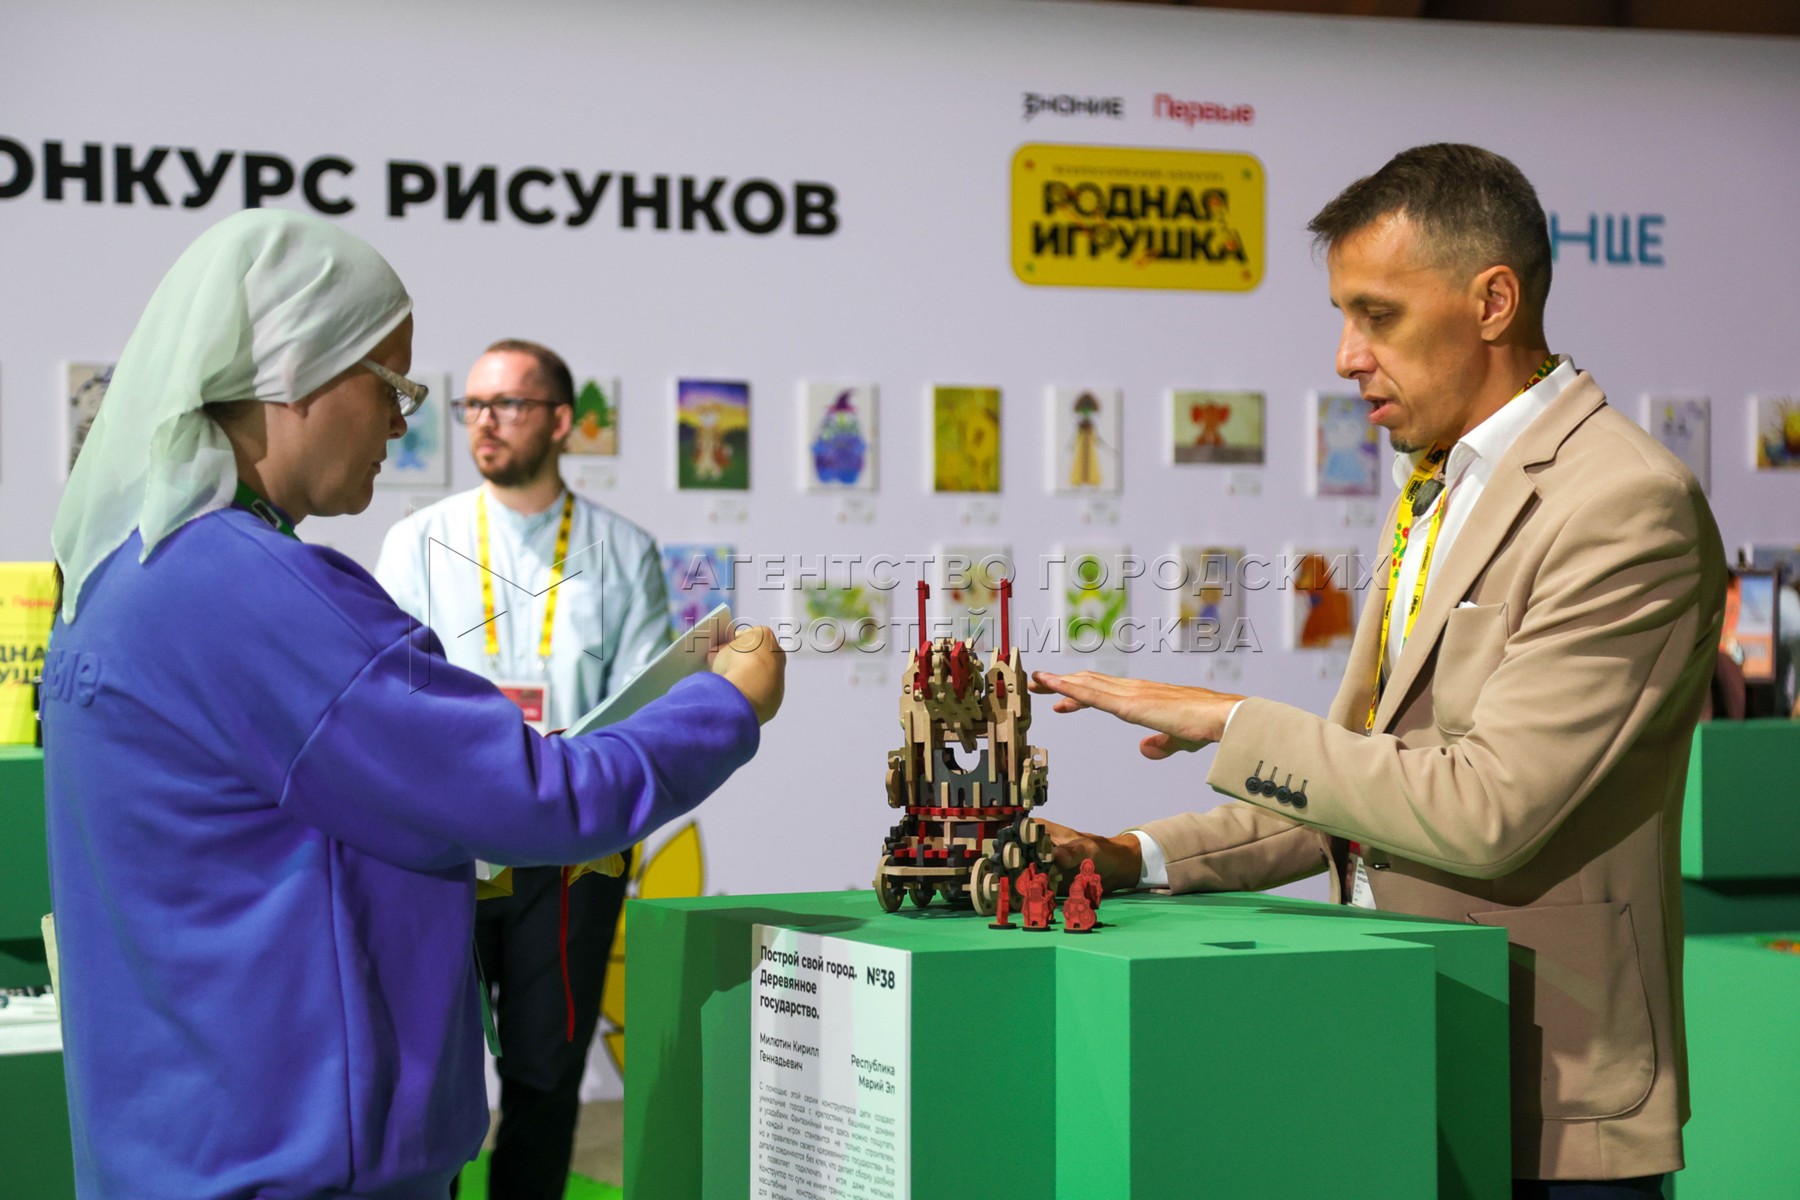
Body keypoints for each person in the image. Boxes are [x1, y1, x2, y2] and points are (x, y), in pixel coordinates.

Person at [41, 208, 785, 1200]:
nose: (405, 424)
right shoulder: (259, 595)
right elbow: (542, 796)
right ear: (297, 371)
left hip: (176, 1145)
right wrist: (725, 707)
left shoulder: (119, 579)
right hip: (295, 1162)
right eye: (391, 386)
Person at [1031, 145, 1725, 1198]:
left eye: (1378, 315)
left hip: (1548, 1093)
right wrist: (1133, 857)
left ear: (1493, 302)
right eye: (1343, 316)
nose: (1348, 356)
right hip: (1397, 1054)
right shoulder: (1438, 483)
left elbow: (1485, 808)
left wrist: (1230, 720)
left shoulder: (1626, 505)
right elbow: (1370, 781)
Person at [374, 339, 665, 1200]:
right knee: (430, 1071)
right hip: (445, 850)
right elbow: (389, 698)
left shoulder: (623, 551)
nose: (484, 422)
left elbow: (645, 706)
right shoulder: (418, 541)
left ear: (561, 421)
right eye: (472, 405)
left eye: (507, 404)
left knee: (547, 1072)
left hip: (572, 853)